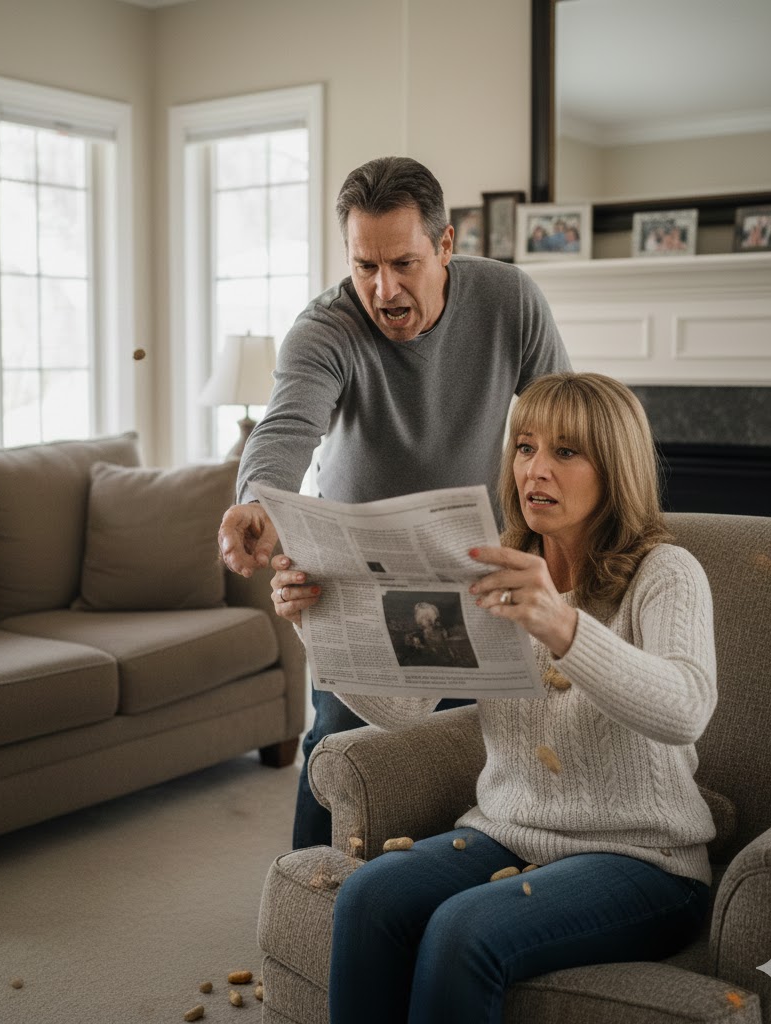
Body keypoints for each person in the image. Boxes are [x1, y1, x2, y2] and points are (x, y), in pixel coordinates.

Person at [270, 372, 717, 1023]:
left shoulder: (664, 573)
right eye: (525, 446)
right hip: (507, 831)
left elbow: (686, 711)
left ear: (614, 468)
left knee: (463, 929)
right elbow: (405, 711)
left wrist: (561, 627)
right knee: (367, 895)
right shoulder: (491, 567)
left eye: (566, 452)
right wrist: (313, 625)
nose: (537, 468)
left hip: (647, 860)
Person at [217, 155, 571, 850]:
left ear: (445, 246)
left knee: (474, 754)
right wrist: (258, 501)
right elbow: (286, 428)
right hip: (356, 580)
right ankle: (310, 903)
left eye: (404, 263)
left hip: (475, 569)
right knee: (341, 755)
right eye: (364, 267)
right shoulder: (325, 327)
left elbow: (568, 418)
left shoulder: (510, 301)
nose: (384, 289)